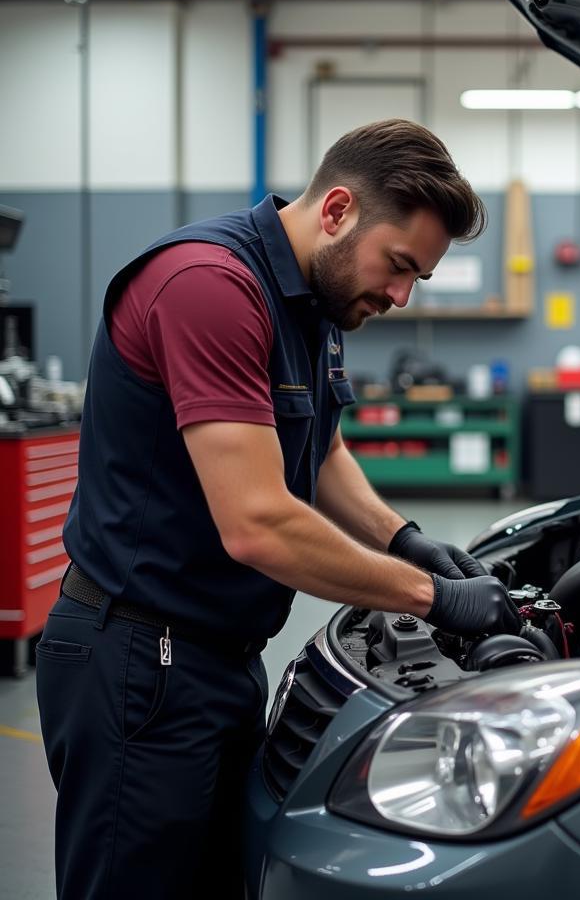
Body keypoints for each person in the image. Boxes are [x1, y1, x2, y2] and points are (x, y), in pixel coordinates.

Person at [35, 118, 521, 900]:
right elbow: (257, 521)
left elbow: (320, 452)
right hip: (138, 661)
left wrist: (407, 540)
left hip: (218, 660)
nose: (400, 296)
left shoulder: (315, 305)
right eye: (398, 266)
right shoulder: (209, 288)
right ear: (335, 211)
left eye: (417, 280)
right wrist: (433, 598)